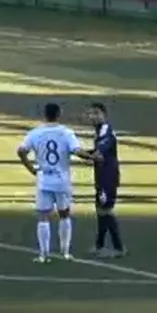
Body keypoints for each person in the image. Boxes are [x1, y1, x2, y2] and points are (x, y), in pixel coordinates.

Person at [17, 103, 93, 262]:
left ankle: (43, 254)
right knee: (64, 214)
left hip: (44, 179)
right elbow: (77, 151)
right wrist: (92, 157)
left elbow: (21, 151)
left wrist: (31, 168)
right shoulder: (66, 133)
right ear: (59, 114)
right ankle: (65, 252)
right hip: (62, 180)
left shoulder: (35, 133)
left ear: (45, 115)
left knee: (43, 216)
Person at [87, 102, 125, 258]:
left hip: (108, 178)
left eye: (96, 113)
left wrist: (80, 154)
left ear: (104, 115)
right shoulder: (98, 131)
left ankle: (118, 247)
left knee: (106, 211)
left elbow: (98, 154)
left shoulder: (106, 132)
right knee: (100, 210)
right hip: (101, 176)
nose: (93, 117)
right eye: (91, 113)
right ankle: (100, 245)